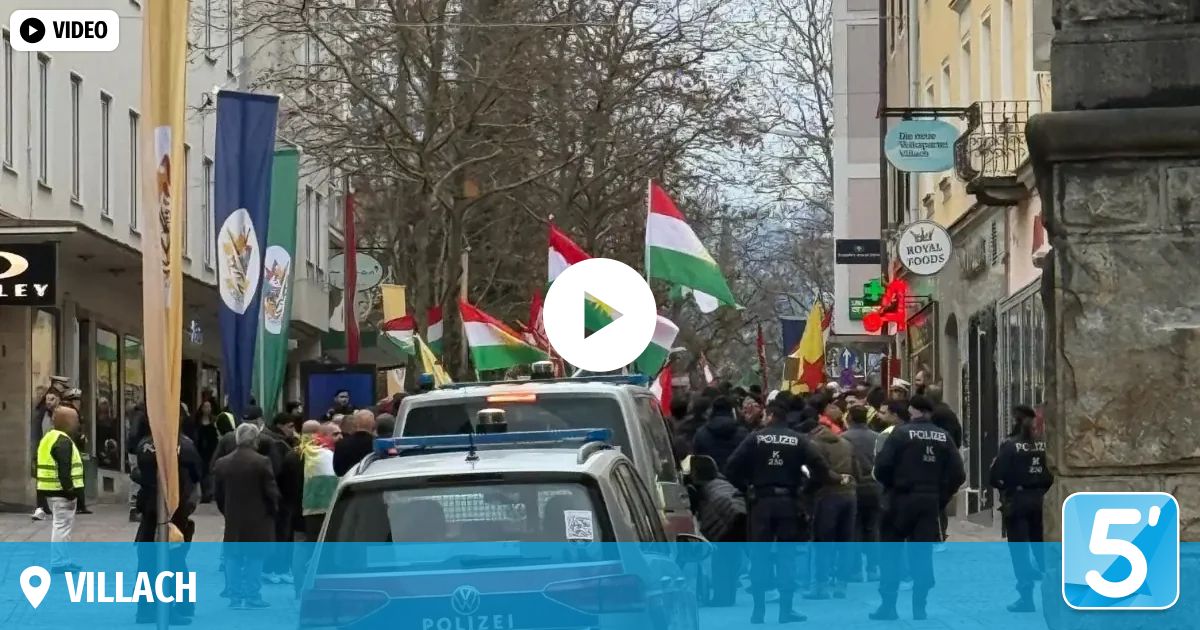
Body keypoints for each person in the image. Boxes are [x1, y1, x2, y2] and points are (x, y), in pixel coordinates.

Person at [725, 403, 830, 624]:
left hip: (761, 502)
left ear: (771, 415)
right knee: (787, 556)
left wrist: (747, 487)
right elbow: (821, 468)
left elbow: (731, 466)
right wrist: (806, 490)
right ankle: (786, 609)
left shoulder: (755, 438)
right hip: (789, 503)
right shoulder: (799, 440)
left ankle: (758, 610)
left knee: (759, 556)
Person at [870, 395, 966, 621]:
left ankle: (888, 606)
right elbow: (958, 474)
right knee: (922, 554)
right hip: (928, 502)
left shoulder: (900, 434)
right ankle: (919, 607)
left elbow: (882, 466)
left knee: (890, 553)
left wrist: (890, 488)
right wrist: (940, 497)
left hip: (899, 500)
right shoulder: (944, 437)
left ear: (912, 410)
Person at [133, 419, 203, 624]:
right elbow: (197, 475)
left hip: (150, 511)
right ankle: (174, 607)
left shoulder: (144, 444)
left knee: (147, 561)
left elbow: (139, 473)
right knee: (174, 561)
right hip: (174, 511)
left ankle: (146, 609)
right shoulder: (184, 445)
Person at [990, 405, 1053, 613]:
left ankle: (1026, 596)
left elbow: (996, 477)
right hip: (1041, 499)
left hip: (1017, 501)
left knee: (1020, 551)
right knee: (1042, 547)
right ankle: (1055, 586)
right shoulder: (1045, 446)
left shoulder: (1010, 446)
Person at [213, 423, 279, 610]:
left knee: (233, 555)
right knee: (255, 557)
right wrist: (272, 510)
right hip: (258, 516)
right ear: (255, 439)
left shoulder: (222, 463)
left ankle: (234, 596)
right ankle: (253, 595)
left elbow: (218, 494)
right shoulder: (262, 462)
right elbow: (271, 492)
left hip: (233, 515)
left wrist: (226, 511)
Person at [804, 414, 860, 600]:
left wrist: (806, 493)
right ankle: (841, 585)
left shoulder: (815, 446)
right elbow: (857, 471)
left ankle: (820, 586)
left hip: (827, 496)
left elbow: (817, 474)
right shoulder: (846, 443)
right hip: (849, 495)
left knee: (822, 542)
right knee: (845, 541)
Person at [686, 454, 747, 607]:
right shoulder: (722, 482)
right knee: (732, 559)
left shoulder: (700, 489)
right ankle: (728, 595)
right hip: (740, 514)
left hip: (727, 520)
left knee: (722, 560)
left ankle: (722, 598)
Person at [37, 406, 84, 573]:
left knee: (62, 526)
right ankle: (59, 562)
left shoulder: (49, 437)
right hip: (61, 492)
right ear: (68, 422)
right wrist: (70, 491)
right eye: (76, 420)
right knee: (62, 526)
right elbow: (64, 470)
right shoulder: (63, 441)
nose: (78, 423)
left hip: (51, 490)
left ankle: (63, 560)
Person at [843, 406, 882, 582]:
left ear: (849, 418)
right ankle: (873, 568)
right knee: (873, 528)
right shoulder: (877, 438)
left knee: (854, 529)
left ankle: (855, 570)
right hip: (875, 487)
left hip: (854, 487)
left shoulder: (843, 439)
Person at [692, 397, 749, 473]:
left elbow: (697, 459)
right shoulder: (743, 433)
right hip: (737, 479)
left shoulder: (700, 433)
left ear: (712, 411)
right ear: (732, 411)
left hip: (710, 480)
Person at [30, 387, 63, 521]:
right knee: (41, 479)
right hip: (44, 450)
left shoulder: (61, 413)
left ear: (58, 400)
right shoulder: (42, 414)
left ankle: (49, 506)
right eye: (47, 399)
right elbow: (39, 433)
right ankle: (42, 506)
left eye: (52, 399)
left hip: (56, 449)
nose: (49, 402)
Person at [192, 400, 221, 503]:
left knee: (210, 472)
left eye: (209, 406)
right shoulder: (197, 421)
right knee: (202, 473)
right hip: (200, 450)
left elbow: (217, 436)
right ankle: (205, 493)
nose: (207, 409)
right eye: (205, 406)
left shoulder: (214, 420)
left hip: (211, 449)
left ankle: (209, 494)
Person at [333, 409, 377, 476]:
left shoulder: (341, 444)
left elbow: (338, 470)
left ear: (355, 424)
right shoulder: (378, 444)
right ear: (374, 424)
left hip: (350, 483)